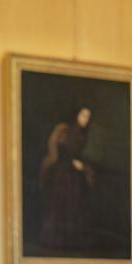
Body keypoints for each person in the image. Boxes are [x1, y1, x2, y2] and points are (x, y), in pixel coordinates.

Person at [39, 106, 95, 252]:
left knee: (74, 206)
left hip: (73, 175)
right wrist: (73, 162)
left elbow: (78, 154)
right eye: (83, 115)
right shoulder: (66, 131)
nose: (85, 119)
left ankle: (71, 242)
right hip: (63, 174)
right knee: (62, 206)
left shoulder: (82, 133)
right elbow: (61, 149)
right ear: (76, 115)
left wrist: (82, 166)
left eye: (88, 117)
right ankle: (58, 242)